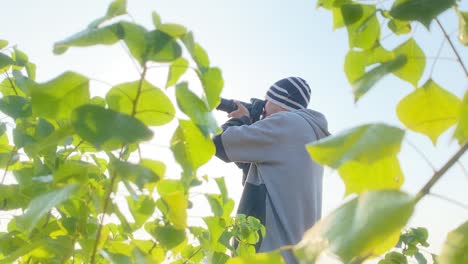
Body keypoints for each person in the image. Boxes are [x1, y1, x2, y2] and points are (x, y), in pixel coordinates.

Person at [213, 77, 330, 263]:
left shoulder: (287, 123)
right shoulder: (309, 135)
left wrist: (240, 119)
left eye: (267, 100)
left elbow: (219, 144)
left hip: (267, 253)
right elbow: (251, 168)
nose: (264, 107)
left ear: (279, 101)